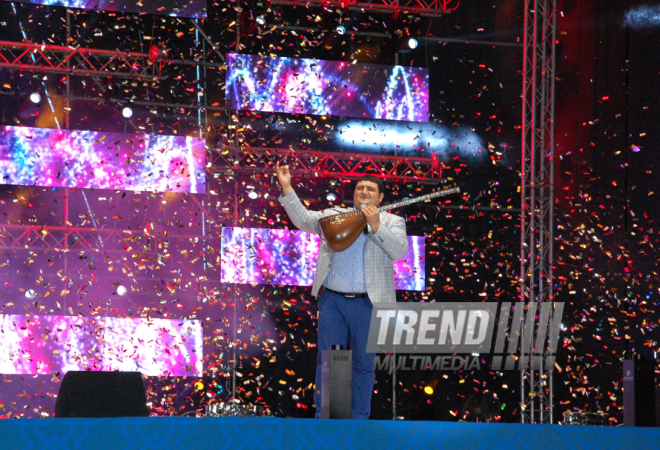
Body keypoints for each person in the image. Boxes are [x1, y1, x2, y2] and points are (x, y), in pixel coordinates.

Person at [275, 163, 409, 420]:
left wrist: (376, 225)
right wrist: (287, 187)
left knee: (363, 365)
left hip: (368, 304)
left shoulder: (392, 221)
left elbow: (400, 251)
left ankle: (358, 422)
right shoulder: (335, 215)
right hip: (333, 302)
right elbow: (303, 219)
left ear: (381, 197)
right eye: (360, 188)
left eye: (371, 189)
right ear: (354, 194)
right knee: (331, 362)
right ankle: (328, 420)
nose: (365, 192)